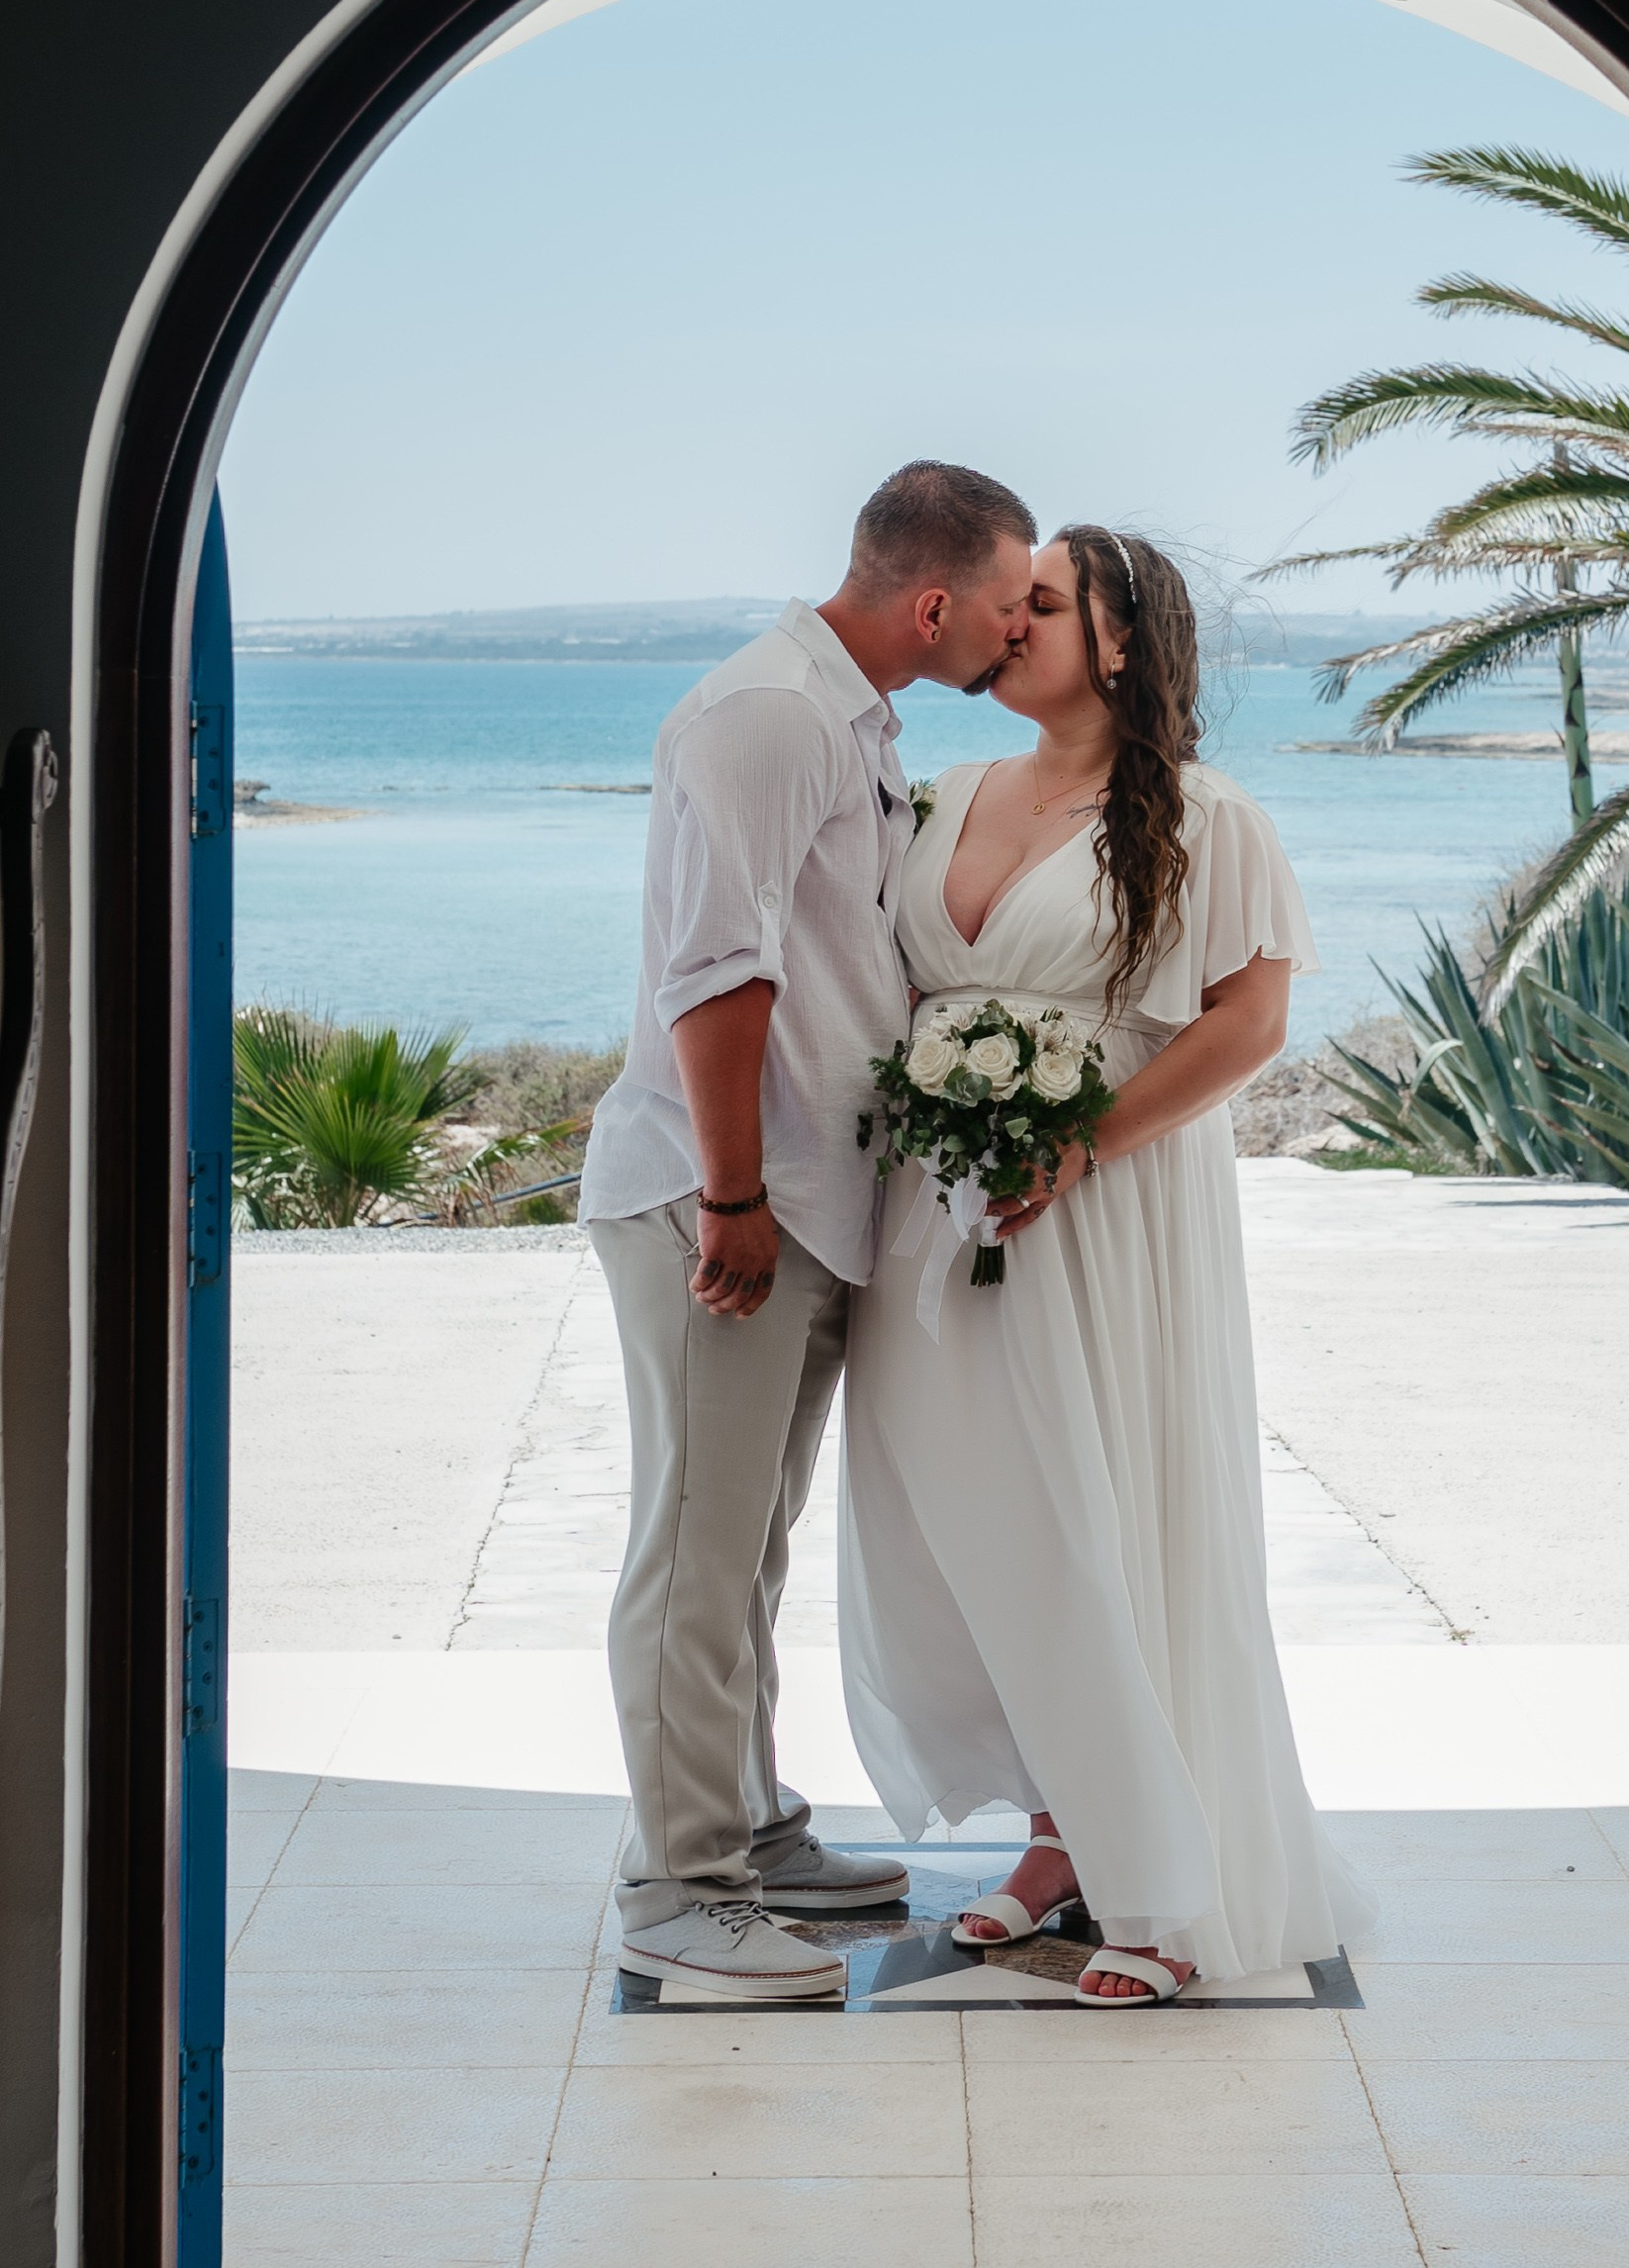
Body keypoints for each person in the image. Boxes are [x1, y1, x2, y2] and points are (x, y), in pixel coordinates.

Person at [840, 526, 1369, 2004]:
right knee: (978, 1523)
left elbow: (1247, 1029)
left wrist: (1079, 1145)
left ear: (1123, 643)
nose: (1011, 624)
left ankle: (1172, 1877)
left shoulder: (1209, 816)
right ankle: (1061, 1829)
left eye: (1047, 605)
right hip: (936, 1220)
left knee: (1106, 1508)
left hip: (1106, 1210)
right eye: (1013, 603)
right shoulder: (945, 794)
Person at [580, 461, 1037, 2000]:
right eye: (1005, 598)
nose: (1017, 622)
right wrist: (733, 1197)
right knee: (697, 1552)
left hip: (803, 1202)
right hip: (727, 1196)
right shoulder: (769, 714)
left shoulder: (855, 720)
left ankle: (749, 1831)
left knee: (748, 1545)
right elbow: (720, 972)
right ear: (933, 602)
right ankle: (677, 1883)